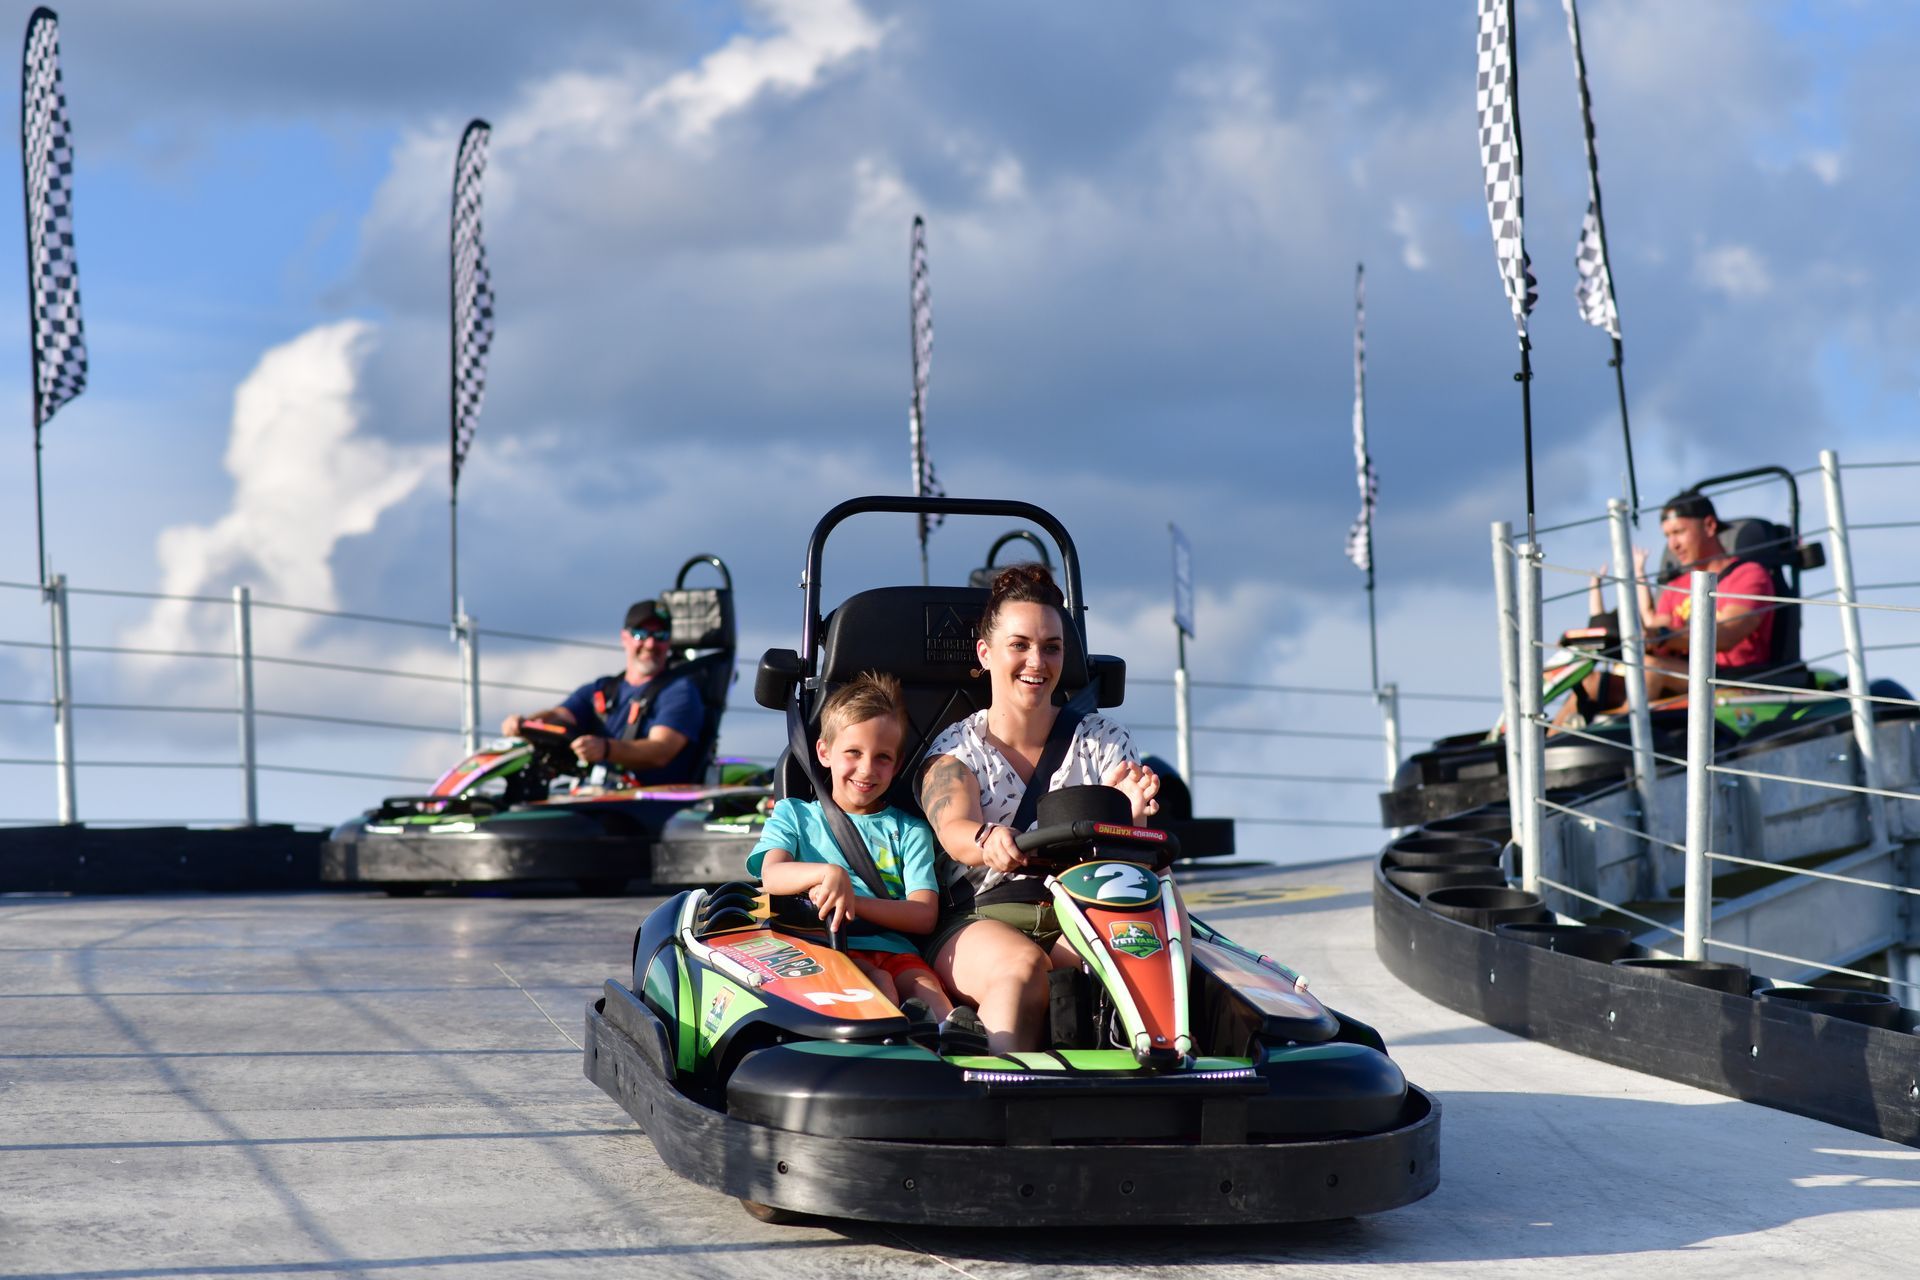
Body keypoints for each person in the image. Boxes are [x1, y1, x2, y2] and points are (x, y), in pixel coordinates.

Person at [916, 563, 1161, 1055]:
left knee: (1149, 934)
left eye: (1051, 647)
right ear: (985, 653)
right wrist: (988, 841)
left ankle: (1169, 1063)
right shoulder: (956, 752)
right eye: (1020, 645)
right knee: (1025, 969)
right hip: (985, 916)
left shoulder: (1103, 742)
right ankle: (1000, 1085)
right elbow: (954, 827)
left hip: (1087, 913)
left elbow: (1131, 865)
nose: (1037, 661)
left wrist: (1133, 822)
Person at [748, 671, 958, 1024]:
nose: (866, 769)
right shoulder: (795, 815)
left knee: (929, 991)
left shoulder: (909, 830)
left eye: (882, 758)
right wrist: (829, 875)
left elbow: (923, 915)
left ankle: (955, 1053)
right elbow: (770, 876)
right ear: (825, 752)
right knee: (879, 984)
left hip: (894, 949)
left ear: (898, 764)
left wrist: (853, 901)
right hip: (819, 948)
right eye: (853, 753)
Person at [1579, 491, 1778, 709]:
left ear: (1709, 526)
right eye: (1667, 536)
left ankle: (1621, 735)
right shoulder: (1674, 587)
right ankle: (1550, 738)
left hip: (1729, 678)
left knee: (1652, 668)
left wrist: (1662, 636)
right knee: (1591, 683)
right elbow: (1658, 628)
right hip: (1683, 674)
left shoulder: (1749, 574)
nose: (1672, 544)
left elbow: (1726, 634)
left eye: (1679, 532)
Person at [498, 599, 705, 784]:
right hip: (596, 795)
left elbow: (661, 750)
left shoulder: (679, 691)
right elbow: (559, 716)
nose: (651, 644)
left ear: (669, 642)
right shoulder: (601, 689)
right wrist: (524, 725)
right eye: (641, 634)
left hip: (645, 805)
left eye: (660, 635)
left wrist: (606, 749)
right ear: (625, 638)